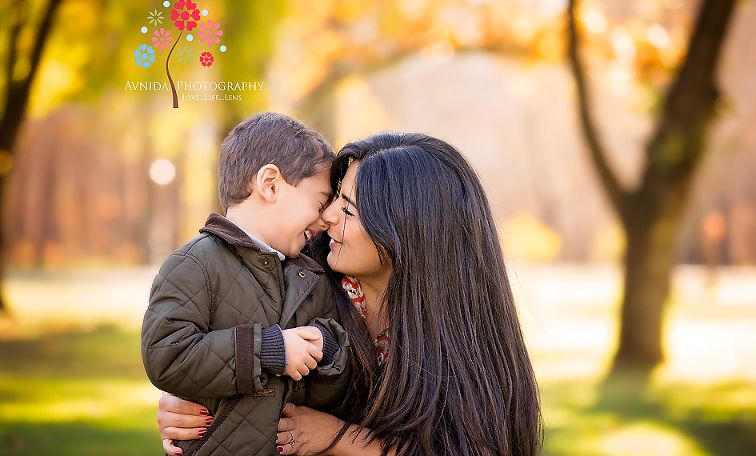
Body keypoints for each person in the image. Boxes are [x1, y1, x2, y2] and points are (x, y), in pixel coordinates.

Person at [157, 132, 542, 456]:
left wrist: (335, 437)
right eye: (334, 198)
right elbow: (223, 353)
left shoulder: (461, 331)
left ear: (410, 232)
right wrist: (195, 404)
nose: (327, 217)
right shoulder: (302, 283)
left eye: (350, 209)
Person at [142, 112, 350, 456]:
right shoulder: (195, 264)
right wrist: (269, 350)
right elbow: (166, 354)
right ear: (270, 184)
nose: (324, 220)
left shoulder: (311, 279)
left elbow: (325, 397)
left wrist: (326, 351)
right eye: (319, 202)